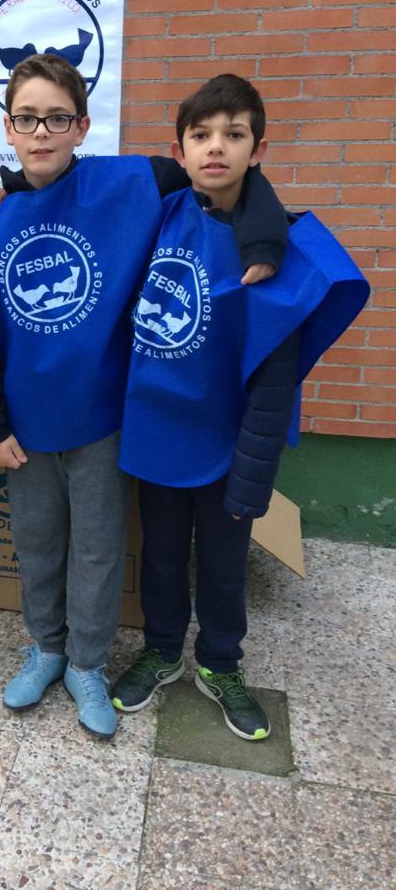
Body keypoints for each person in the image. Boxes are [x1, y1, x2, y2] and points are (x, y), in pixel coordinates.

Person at [0, 55, 288, 739]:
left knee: (100, 550)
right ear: (8, 128)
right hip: (24, 426)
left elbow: (221, 176)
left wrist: (265, 231)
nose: (41, 132)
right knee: (37, 544)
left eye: (57, 119)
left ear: (82, 127)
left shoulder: (133, 182)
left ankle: (86, 663)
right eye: (27, 119)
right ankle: (46, 649)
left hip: (106, 420)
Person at [111, 74, 369, 739]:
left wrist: (252, 480)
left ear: (259, 150)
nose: (216, 147)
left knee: (224, 570)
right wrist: (9, 190)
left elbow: (274, 383)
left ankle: (220, 663)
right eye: (201, 135)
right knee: (162, 558)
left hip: (225, 449)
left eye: (234, 134)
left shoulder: (277, 255)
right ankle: (163, 651)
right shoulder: (163, 212)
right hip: (157, 434)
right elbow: (84, 188)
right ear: (180, 149)